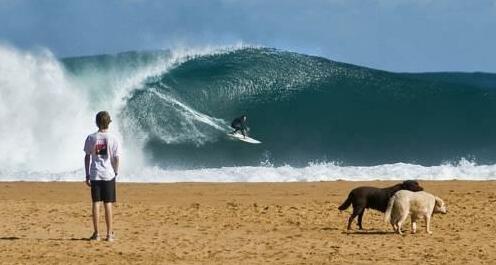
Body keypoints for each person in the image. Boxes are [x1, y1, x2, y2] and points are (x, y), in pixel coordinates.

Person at [84, 111, 121, 242]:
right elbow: (116, 158)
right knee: (108, 204)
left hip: (95, 174)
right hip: (108, 174)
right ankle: (109, 235)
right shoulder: (113, 138)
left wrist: (87, 174)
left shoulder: (91, 137)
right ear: (109, 123)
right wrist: (116, 171)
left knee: (95, 204)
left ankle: (96, 234)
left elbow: (87, 157)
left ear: (96, 122)